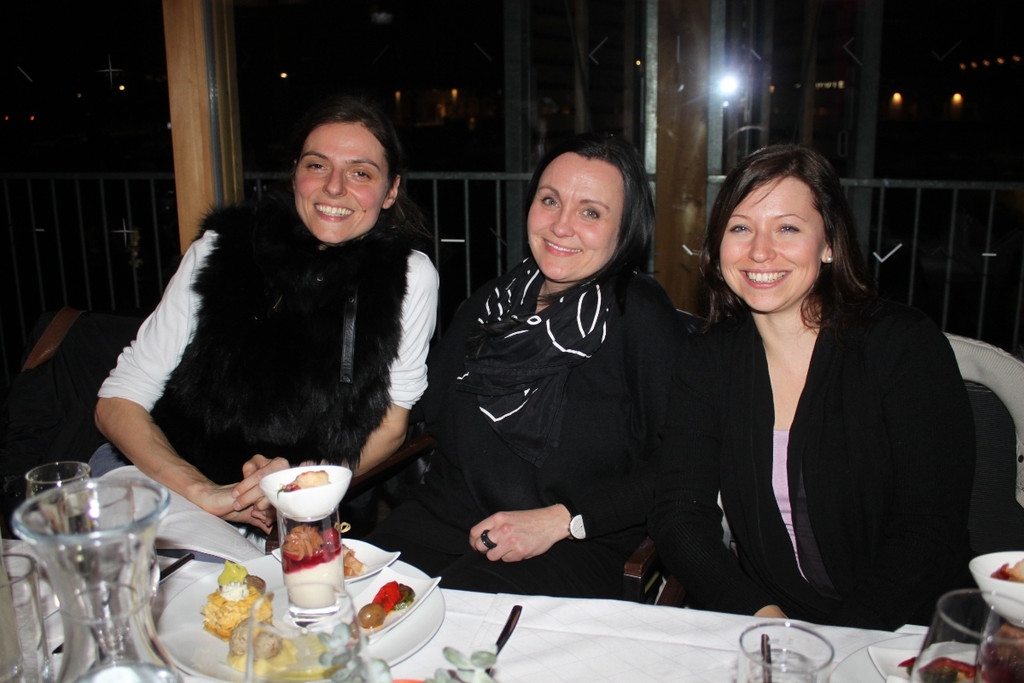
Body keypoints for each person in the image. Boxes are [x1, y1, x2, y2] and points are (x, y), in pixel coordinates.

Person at [649, 144, 974, 629]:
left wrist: (834, 644)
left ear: (829, 244)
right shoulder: (707, 360)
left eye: (787, 228)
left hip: (906, 630)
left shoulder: (902, 345)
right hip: (774, 626)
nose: (760, 251)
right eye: (740, 228)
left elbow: (929, 528)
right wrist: (764, 621)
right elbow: (680, 514)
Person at [367, 133, 695, 598]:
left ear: (625, 229)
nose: (561, 226)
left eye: (590, 212)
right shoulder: (492, 303)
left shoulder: (639, 316)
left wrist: (564, 520)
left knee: (461, 625)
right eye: (550, 201)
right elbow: (418, 404)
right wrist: (309, 460)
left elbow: (684, 463)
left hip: (569, 541)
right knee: (346, 596)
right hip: (446, 520)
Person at [93, 94, 439, 534]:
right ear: (295, 174)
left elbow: (391, 426)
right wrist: (205, 492)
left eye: (360, 173)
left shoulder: (409, 277)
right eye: (317, 165)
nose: (334, 187)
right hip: (168, 483)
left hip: (299, 503)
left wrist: (294, 488)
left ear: (390, 190)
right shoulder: (223, 249)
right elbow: (118, 401)